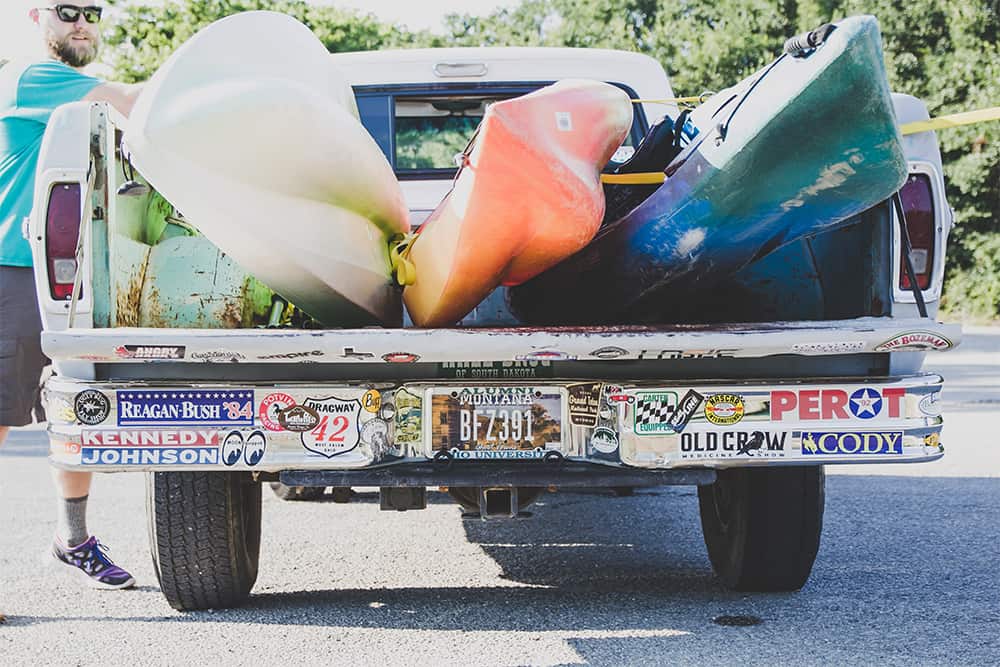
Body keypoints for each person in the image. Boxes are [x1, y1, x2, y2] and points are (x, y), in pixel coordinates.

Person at [1, 3, 143, 591]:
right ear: (37, 16)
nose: (81, 22)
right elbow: (145, 104)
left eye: (92, 11)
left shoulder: (83, 99)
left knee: (77, 412)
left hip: (74, 277)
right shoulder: (35, 78)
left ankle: (73, 540)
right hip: (12, 271)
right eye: (67, 11)